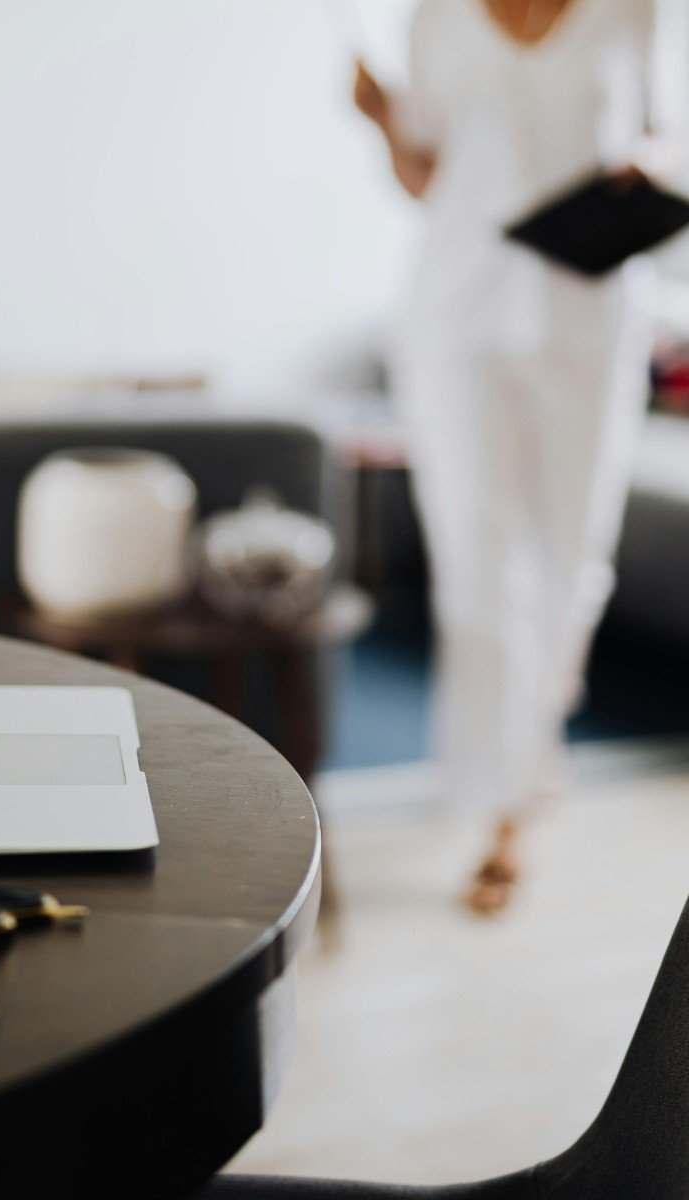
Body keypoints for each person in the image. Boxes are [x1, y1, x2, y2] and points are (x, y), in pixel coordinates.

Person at [353, 0, 684, 913]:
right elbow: (428, 178)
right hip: (456, 318)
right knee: (479, 559)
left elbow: (661, 137)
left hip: (591, 317)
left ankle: (530, 763)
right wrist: (381, 120)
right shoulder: (436, 19)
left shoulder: (633, 12)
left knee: (573, 558)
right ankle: (503, 802)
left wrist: (644, 165)